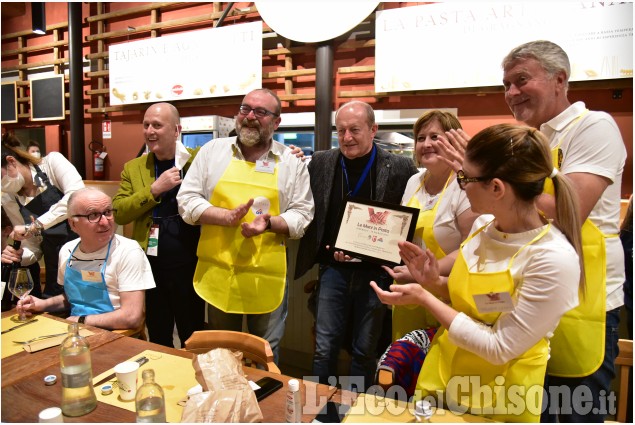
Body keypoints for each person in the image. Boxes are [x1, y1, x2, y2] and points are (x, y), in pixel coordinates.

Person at [372, 124, 584, 422]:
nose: (459, 185)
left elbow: (499, 347)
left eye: (464, 177)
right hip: (444, 377)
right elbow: (483, 299)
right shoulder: (483, 227)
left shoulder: (552, 259)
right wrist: (435, 282)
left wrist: (424, 297)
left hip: (501, 398)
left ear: (496, 188)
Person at [501, 40, 626, 422]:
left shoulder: (593, 126)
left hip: (585, 298)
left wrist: (496, 180)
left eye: (522, 79)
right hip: (532, 296)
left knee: (574, 411)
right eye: (505, 84)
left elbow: (569, 210)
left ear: (560, 79)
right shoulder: (531, 141)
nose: (511, 93)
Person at [177, 88, 314, 362]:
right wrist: (223, 216)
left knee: (263, 356)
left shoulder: (290, 162)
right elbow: (186, 200)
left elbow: (302, 214)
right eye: (245, 109)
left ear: (276, 123)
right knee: (222, 356)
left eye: (261, 112)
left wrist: (270, 223)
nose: (250, 117)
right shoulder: (212, 152)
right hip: (219, 272)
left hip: (267, 274)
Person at [294, 100, 418, 391]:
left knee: (365, 351)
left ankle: (357, 411)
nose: (347, 137)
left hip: (376, 273)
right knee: (324, 348)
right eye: (341, 131)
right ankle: (318, 408)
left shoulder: (400, 166)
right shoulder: (322, 161)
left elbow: (408, 213)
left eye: (355, 130)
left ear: (373, 129)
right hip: (333, 269)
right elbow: (308, 202)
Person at [377, 110, 479, 397]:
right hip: (409, 290)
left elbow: (470, 247)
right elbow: (399, 232)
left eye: (436, 136)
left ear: (454, 141)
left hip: (445, 291)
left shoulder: (464, 185)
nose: (426, 143)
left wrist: (423, 273)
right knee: (403, 363)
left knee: (439, 370)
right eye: (421, 138)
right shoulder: (414, 181)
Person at [113, 102, 204, 348]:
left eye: (157, 125)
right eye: (146, 125)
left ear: (176, 130)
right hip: (149, 266)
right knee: (159, 334)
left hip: (192, 263)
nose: (150, 131)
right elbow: (119, 212)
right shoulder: (133, 168)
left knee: (193, 334)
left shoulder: (197, 160)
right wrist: (154, 189)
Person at [17, 188, 156, 329]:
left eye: (108, 212)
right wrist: (42, 304)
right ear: (73, 224)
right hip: (78, 329)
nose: (105, 222)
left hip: (117, 334)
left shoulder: (128, 251)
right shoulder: (67, 251)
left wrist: (82, 320)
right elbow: (73, 298)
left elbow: (132, 317)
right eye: (93, 215)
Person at [1, 144, 84, 298]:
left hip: (85, 259)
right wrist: (19, 255)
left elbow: (77, 196)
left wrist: (35, 225)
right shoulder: (9, 198)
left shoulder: (51, 163)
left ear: (11, 161)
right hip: (55, 269)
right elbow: (33, 246)